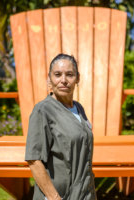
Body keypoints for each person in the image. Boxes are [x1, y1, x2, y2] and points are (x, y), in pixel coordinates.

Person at [25, 54, 97, 200]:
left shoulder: (79, 108)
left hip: (84, 193)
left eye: (69, 75)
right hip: (59, 195)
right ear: (49, 79)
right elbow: (34, 160)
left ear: (78, 78)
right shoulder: (43, 110)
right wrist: (54, 197)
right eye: (57, 75)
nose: (63, 80)